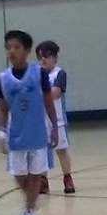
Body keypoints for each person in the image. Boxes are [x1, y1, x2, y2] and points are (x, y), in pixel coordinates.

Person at [0, 30, 59, 215]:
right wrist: (1, 131)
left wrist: (55, 127)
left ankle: (29, 210)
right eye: (8, 47)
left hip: (38, 133)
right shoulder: (4, 78)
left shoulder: (39, 74)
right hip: (16, 135)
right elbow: (3, 108)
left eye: (16, 47)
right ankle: (31, 200)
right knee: (19, 174)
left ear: (27, 50)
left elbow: (49, 102)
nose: (12, 51)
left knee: (36, 174)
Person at [34, 40, 76, 195]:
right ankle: (43, 180)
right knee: (42, 152)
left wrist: (37, 96)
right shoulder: (36, 74)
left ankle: (67, 178)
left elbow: (55, 93)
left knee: (61, 150)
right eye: (40, 57)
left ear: (55, 57)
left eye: (47, 56)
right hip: (40, 121)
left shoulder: (59, 73)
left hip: (57, 120)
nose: (43, 60)